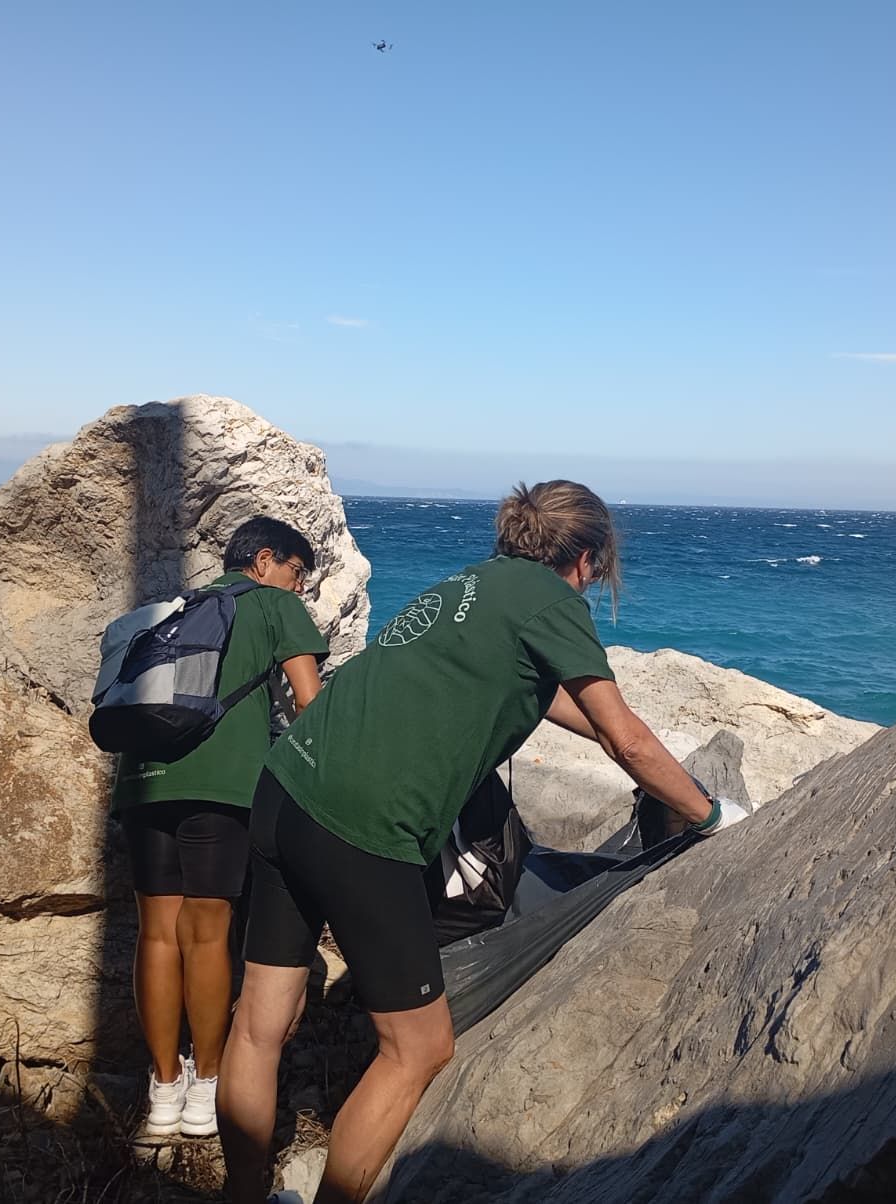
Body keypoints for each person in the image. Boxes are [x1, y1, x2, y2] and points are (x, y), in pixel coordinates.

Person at [217, 481, 747, 1202]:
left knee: (259, 1025)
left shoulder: (472, 583)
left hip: (285, 788)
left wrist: (620, 741)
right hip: (363, 824)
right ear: (587, 560)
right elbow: (625, 737)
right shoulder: (553, 600)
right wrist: (710, 814)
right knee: (418, 1048)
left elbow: (547, 694)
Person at [111, 516, 329, 1139]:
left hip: (143, 780)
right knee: (207, 936)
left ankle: (162, 1089)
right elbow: (312, 707)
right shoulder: (272, 606)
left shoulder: (180, 607)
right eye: (296, 573)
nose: (299, 588)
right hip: (221, 786)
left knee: (156, 936)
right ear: (265, 561)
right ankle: (207, 1085)